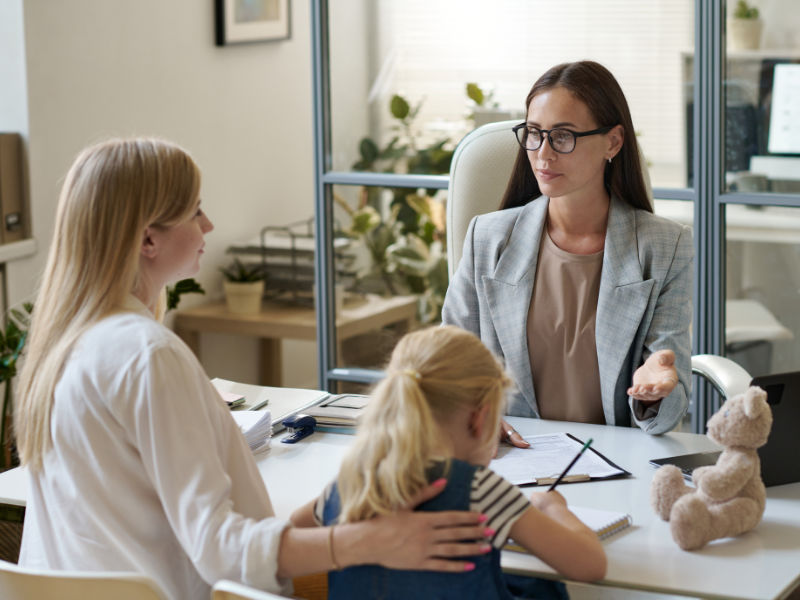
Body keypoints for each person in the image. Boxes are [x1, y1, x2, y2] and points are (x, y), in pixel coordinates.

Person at [14, 138, 490, 600]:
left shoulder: (67, 344)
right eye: (195, 210)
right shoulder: (147, 355)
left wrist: (331, 507)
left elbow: (164, 525)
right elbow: (220, 554)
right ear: (147, 239)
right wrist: (370, 540)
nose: (209, 224)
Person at [442, 61, 693, 440]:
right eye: (533, 134)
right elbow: (448, 363)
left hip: (615, 464)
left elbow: (667, 414)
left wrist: (655, 393)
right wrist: (472, 415)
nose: (543, 153)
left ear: (613, 141)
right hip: (510, 456)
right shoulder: (487, 239)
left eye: (562, 136)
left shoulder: (665, 247)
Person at [291, 325, 607, 600]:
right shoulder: (480, 490)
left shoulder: (354, 480)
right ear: (482, 418)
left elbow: (292, 530)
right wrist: (555, 509)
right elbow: (589, 565)